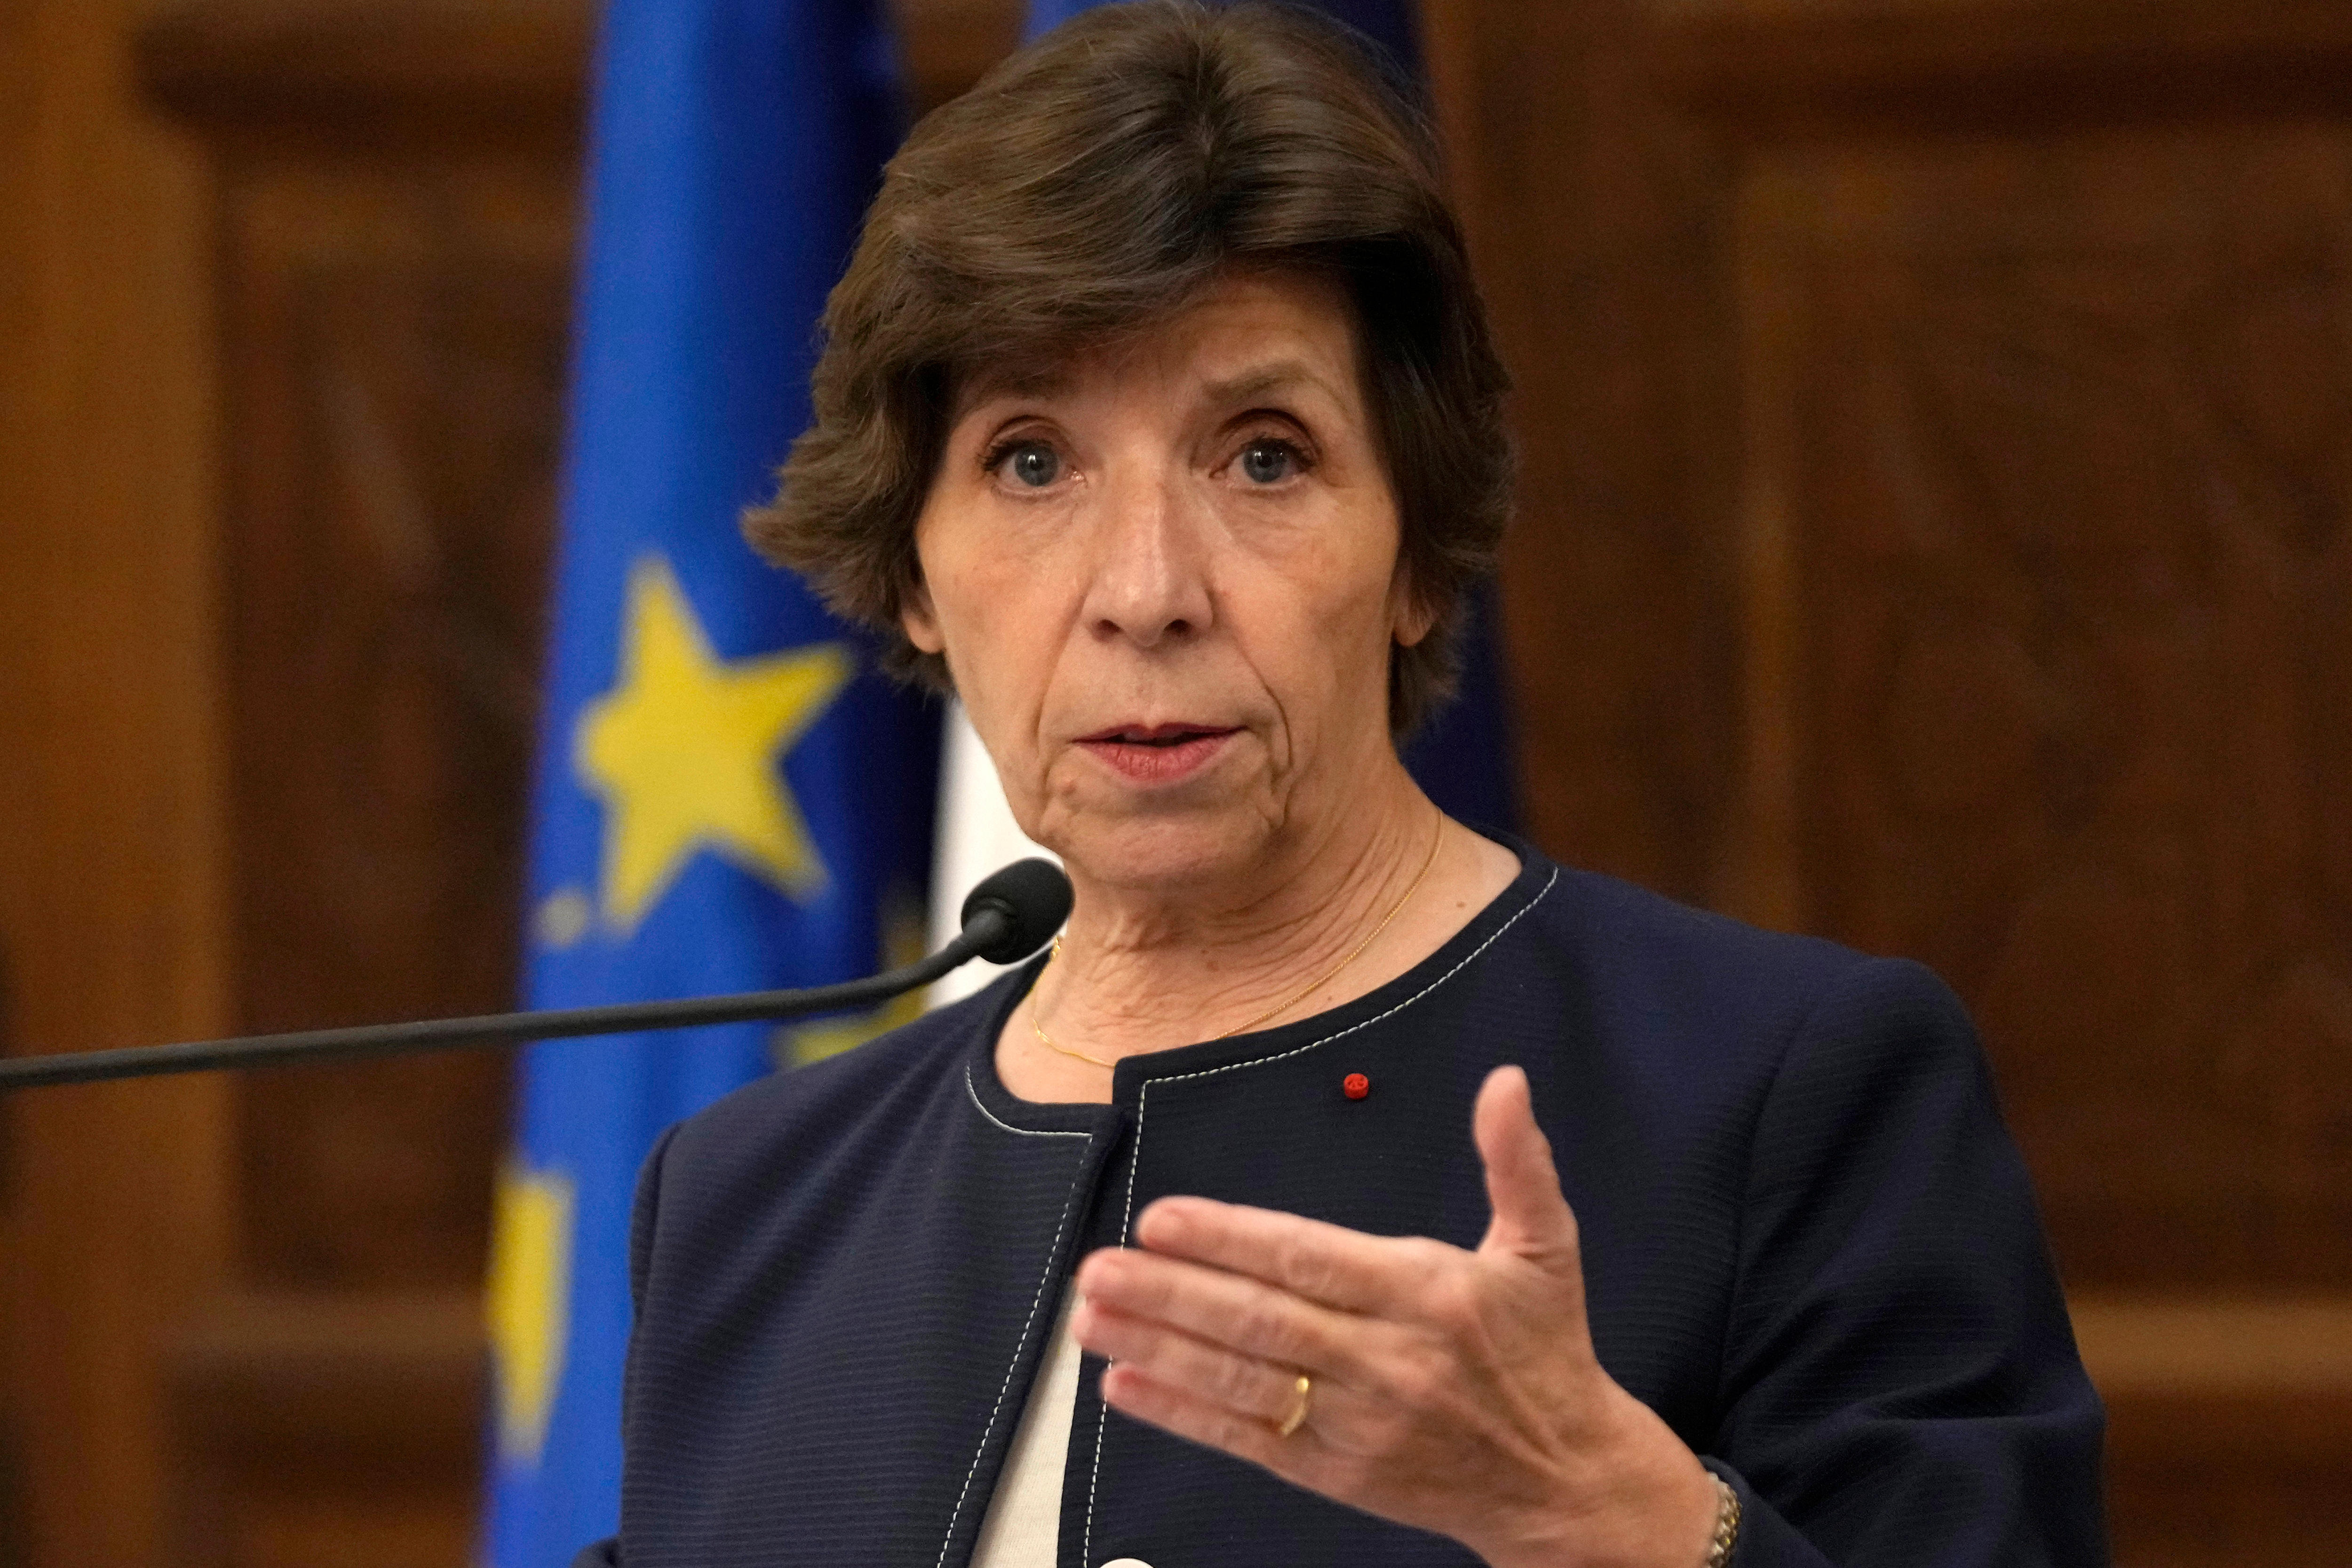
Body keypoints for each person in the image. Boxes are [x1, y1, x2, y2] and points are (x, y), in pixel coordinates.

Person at [577, 4, 2106, 1565]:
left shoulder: (1779, 1097)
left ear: (1419, 553)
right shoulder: (749, 1204)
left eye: (1263, 455)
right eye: (1032, 461)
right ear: (913, 570)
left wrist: (1634, 1529)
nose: (1146, 590)